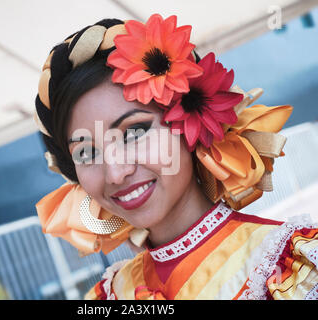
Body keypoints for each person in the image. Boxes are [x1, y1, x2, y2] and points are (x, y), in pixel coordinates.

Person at [34, 14, 318, 300]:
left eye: (134, 132)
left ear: (191, 120)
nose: (116, 173)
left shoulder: (291, 271)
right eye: (87, 153)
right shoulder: (108, 295)